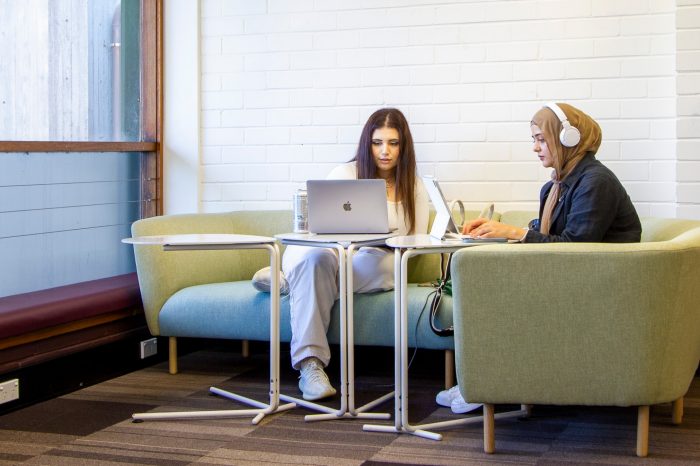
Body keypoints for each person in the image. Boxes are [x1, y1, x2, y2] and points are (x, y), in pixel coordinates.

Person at [436, 102, 642, 414]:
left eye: (541, 139)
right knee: (486, 289)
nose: (534, 148)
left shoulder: (595, 182)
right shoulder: (556, 186)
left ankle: (485, 385)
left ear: (569, 138)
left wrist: (515, 233)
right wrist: (506, 229)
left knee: (493, 295)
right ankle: (480, 383)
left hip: (604, 289)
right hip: (580, 281)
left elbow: (575, 248)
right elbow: (554, 234)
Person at [283, 108, 429, 401]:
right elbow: (316, 230)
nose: (385, 151)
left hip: (373, 259)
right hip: (328, 252)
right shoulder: (344, 174)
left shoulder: (414, 185)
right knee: (316, 260)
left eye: (393, 143)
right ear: (367, 144)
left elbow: (418, 240)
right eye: (377, 143)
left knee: (387, 267)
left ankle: (293, 282)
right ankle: (310, 365)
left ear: (404, 146)